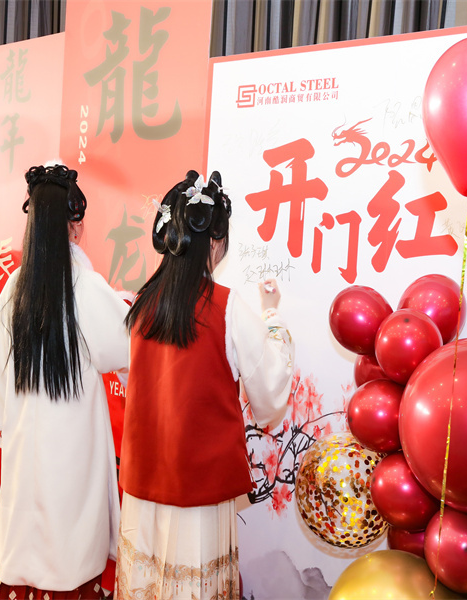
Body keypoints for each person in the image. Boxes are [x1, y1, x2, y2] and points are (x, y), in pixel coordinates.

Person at [116, 170, 295, 600]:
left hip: (144, 485)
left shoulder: (141, 304)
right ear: (214, 242)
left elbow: (133, 378)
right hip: (199, 488)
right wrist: (272, 315)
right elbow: (270, 390)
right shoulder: (226, 307)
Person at [0, 164, 129, 599]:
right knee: (71, 540)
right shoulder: (87, 287)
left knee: (24, 531)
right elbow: (127, 349)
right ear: (75, 225)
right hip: (74, 449)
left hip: (24, 446)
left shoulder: (15, 287)